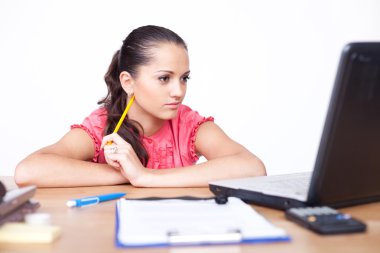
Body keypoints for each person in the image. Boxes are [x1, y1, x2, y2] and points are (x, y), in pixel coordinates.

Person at [15, 25, 266, 187]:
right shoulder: (102, 126)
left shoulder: (189, 124)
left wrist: (147, 177)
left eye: (184, 78)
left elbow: (252, 168)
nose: (179, 91)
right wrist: (129, 174)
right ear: (128, 82)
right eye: (164, 78)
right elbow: (29, 171)